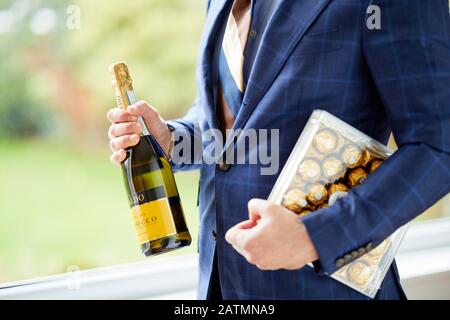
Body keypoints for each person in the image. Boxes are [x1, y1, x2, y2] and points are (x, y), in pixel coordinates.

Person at [107, 0, 450, 299]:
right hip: (219, 285)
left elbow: (437, 146)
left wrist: (313, 237)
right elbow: (232, 119)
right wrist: (170, 140)